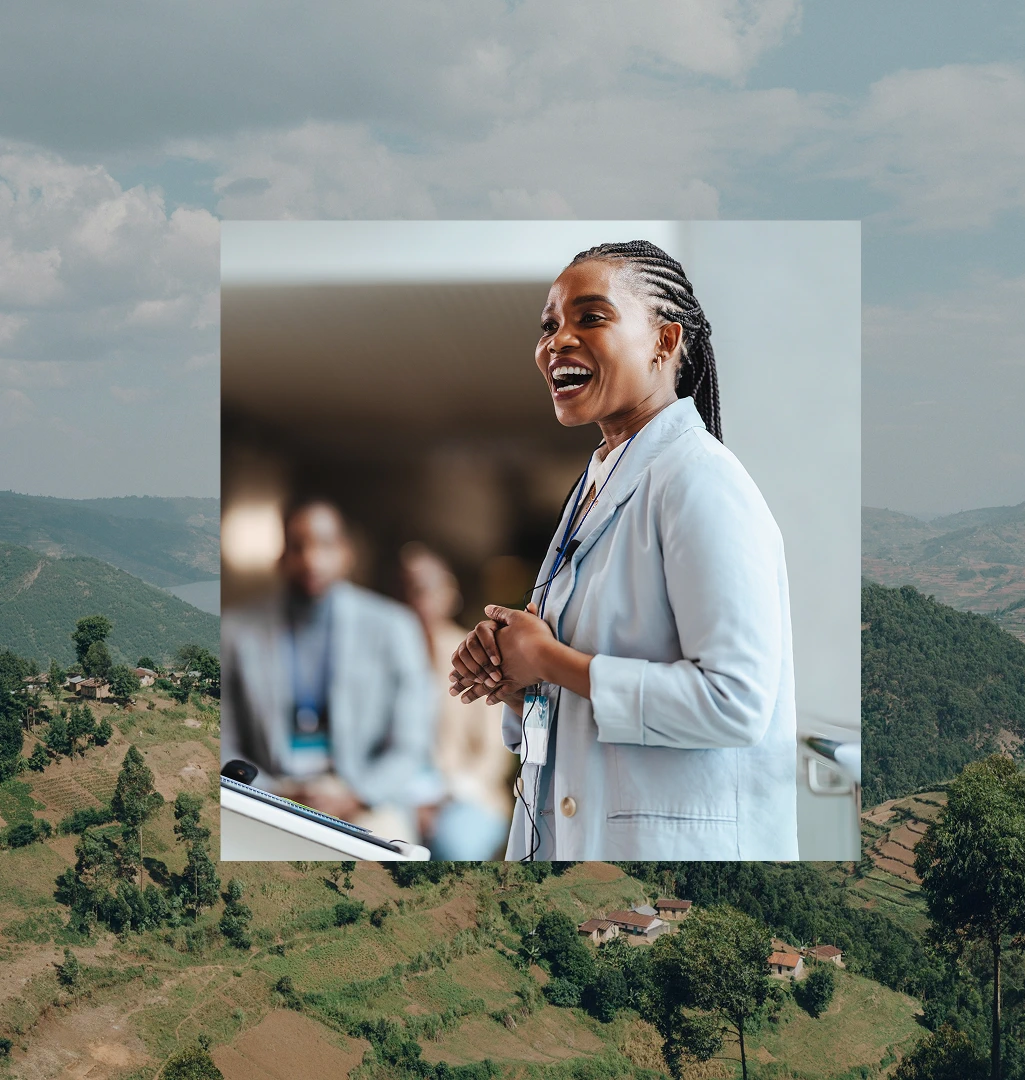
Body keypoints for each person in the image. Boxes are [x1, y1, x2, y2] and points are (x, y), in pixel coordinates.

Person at [449, 240, 799, 861]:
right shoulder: (598, 483)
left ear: (665, 342)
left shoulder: (699, 479)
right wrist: (516, 675)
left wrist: (549, 660)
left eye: (591, 317)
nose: (558, 341)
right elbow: (582, 693)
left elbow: (735, 703)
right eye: (550, 326)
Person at [221, 498, 444, 846]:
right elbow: (223, 739)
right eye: (298, 546)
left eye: (325, 544)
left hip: (365, 800)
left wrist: (356, 794)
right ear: (281, 557)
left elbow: (410, 746)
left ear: (346, 553)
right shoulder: (236, 632)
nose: (311, 559)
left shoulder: (394, 628)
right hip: (268, 795)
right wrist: (274, 793)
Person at [400, 543, 516, 859]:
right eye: (407, 591)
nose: (416, 601)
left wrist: (443, 797)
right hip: (399, 795)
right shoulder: (384, 659)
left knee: (453, 846)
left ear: (449, 595)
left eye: (425, 589)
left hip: (468, 795)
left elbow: (495, 752)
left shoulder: (473, 655)